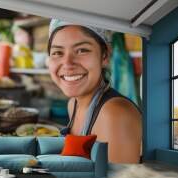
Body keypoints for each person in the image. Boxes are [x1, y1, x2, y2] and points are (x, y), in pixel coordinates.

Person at [48, 19, 142, 163]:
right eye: (57, 52)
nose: (67, 64)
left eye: (81, 50)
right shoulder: (73, 104)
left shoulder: (116, 113)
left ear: (105, 56)